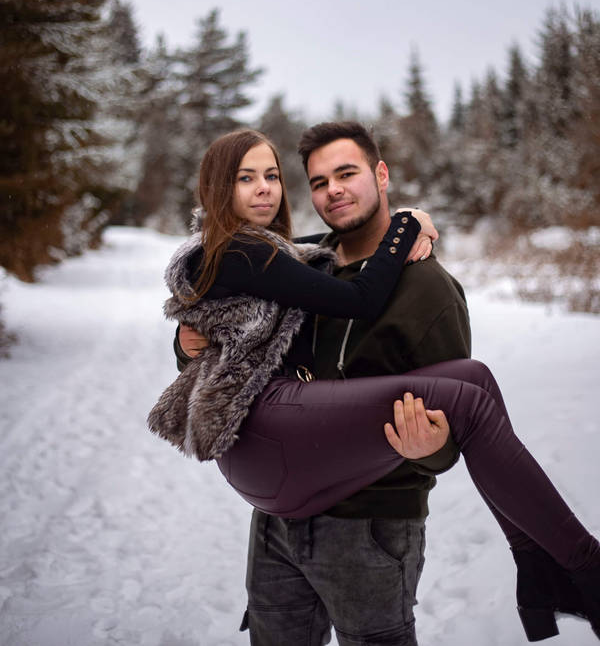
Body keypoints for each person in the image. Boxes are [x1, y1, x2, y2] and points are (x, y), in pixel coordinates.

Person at [149, 126, 600, 646]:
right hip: (279, 501)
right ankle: (576, 566)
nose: (332, 190)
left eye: (346, 174)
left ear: (381, 175)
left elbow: (459, 436)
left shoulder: (420, 283)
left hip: (366, 526)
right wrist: (188, 345)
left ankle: (540, 567)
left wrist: (434, 448)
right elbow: (233, 341)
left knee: (471, 385)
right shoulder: (288, 262)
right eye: (318, 182)